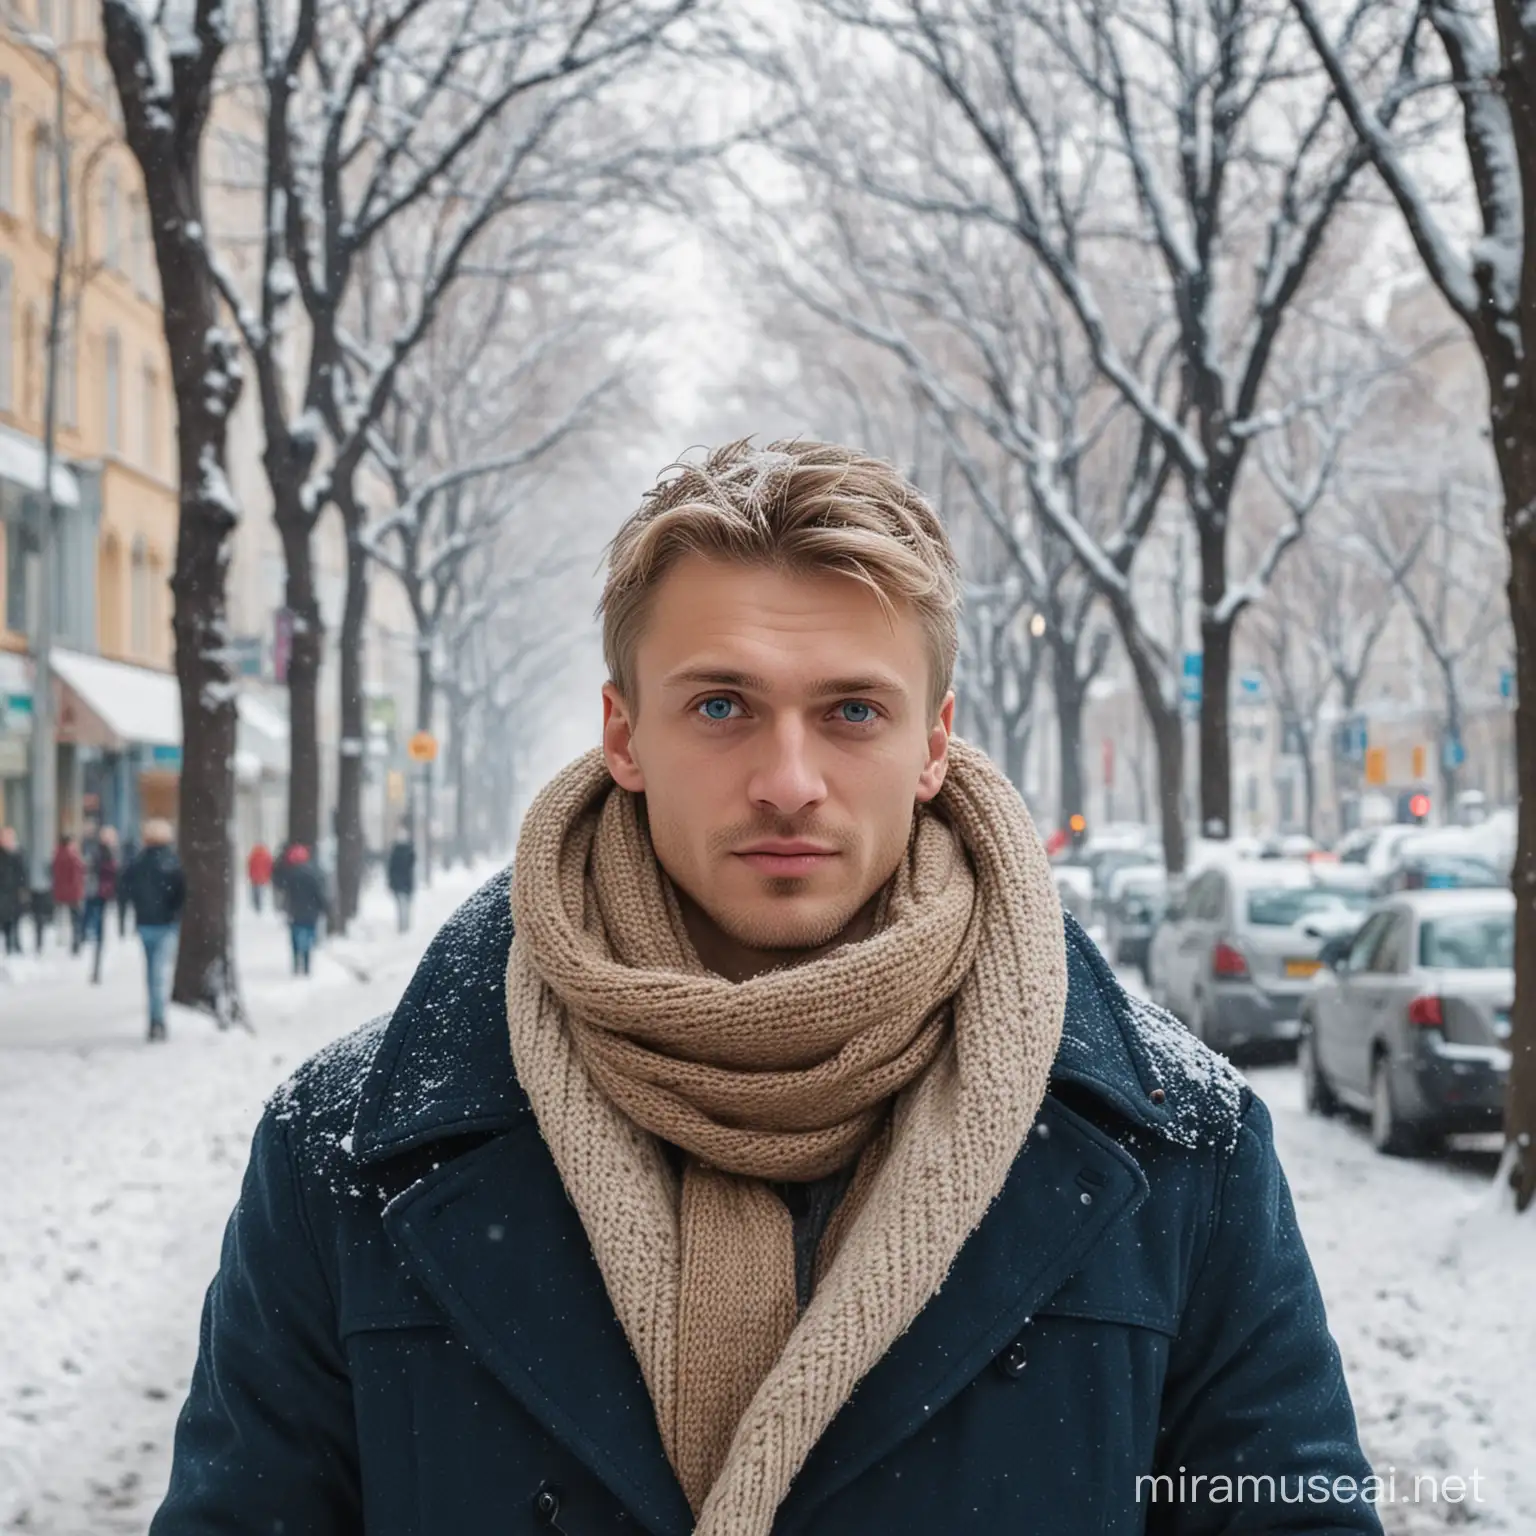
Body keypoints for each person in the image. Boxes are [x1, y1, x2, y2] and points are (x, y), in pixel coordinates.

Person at [150, 442, 1382, 1536]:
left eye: (852, 710)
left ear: (934, 742)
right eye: (723, 705)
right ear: (623, 734)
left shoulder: (1178, 1145)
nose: (789, 780)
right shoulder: (346, 1148)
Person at [121, 819, 186, 1042]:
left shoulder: (138, 863)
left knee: (151, 974)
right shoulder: (172, 862)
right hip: (166, 925)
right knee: (158, 975)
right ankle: (157, 1021)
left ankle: (154, 1020)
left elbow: (126, 888)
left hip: (145, 923)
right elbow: (181, 893)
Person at [281, 843, 326, 976]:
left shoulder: (290, 876)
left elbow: (287, 895)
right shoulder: (313, 874)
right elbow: (318, 893)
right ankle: (306, 964)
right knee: (308, 937)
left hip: (295, 912)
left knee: (295, 938)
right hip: (310, 912)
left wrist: (287, 909)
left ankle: (296, 963)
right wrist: (323, 907)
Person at [84, 826, 120, 984]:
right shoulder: (106, 854)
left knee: (97, 929)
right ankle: (96, 969)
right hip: (100, 895)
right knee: (99, 932)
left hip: (96, 894)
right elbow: (110, 873)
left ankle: (96, 968)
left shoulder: (96, 852)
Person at [51, 834, 87, 955]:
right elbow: (78, 875)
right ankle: (75, 942)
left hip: (61, 892)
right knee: (75, 919)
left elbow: (54, 874)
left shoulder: (57, 855)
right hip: (73, 893)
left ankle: (61, 939)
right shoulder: (73, 856)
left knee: (61, 917)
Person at [0, 826, 26, 957]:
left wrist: (23, 889)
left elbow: (23, 873)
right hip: (3, 895)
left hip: (14, 895)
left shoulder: (18, 853)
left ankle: (15, 946)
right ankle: (8, 948)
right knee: (5, 922)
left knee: (15, 921)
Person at [386, 829, 416, 933]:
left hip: (399, 884)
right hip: (406, 884)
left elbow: (391, 869)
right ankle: (405, 926)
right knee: (405, 906)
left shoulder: (395, 852)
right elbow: (411, 867)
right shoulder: (409, 851)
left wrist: (391, 882)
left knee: (401, 906)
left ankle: (402, 926)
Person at [247, 841, 273, 913]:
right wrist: (268, 876)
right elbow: (269, 866)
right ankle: (260, 905)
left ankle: (256, 904)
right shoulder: (266, 855)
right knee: (261, 891)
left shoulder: (253, 855)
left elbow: (250, 866)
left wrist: (250, 875)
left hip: (255, 877)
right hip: (263, 877)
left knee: (255, 892)